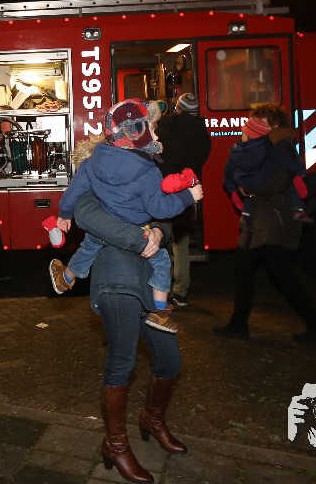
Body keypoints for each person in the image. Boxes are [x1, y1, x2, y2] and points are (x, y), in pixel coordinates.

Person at [47, 99, 203, 333]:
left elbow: (74, 191)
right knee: (161, 261)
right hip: (136, 231)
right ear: (137, 133)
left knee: (88, 247)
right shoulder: (148, 172)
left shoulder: (91, 162)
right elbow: (160, 209)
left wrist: (64, 214)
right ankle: (160, 312)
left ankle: (65, 279)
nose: (157, 136)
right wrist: (188, 196)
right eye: (152, 130)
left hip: (103, 227)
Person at [73, 192, 187, 484]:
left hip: (150, 280)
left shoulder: (146, 176)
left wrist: (159, 231)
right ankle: (115, 445)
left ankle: (152, 419)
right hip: (116, 278)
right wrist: (141, 237)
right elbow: (86, 214)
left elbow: (164, 212)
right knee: (123, 361)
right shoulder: (95, 177)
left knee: (170, 360)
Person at [213, 103, 316, 344]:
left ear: (274, 124)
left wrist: (249, 188)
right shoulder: (268, 144)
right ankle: (239, 324)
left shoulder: (281, 145)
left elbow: (280, 180)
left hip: (275, 218)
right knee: (251, 269)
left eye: (260, 121)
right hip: (263, 218)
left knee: (276, 273)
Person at [154, 91, 211, 307]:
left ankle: (161, 290)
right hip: (188, 193)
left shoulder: (167, 128)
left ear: (178, 108)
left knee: (159, 242)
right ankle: (181, 293)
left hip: (166, 190)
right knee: (181, 246)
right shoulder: (203, 134)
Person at [224, 115, 312, 224]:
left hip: (249, 184)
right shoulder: (271, 147)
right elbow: (285, 162)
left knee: (250, 194)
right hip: (265, 189)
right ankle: (298, 208)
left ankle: (246, 214)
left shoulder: (237, 152)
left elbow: (229, 172)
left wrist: (234, 190)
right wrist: (299, 172)